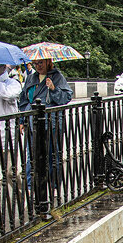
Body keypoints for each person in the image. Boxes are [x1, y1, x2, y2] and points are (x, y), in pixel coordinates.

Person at [18, 57, 73, 202]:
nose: (38, 66)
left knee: (52, 154)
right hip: (33, 121)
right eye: (35, 63)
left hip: (52, 122)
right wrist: (22, 120)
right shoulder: (31, 78)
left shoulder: (57, 77)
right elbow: (23, 100)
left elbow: (66, 97)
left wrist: (53, 89)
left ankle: (54, 184)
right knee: (32, 154)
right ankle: (31, 186)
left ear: (48, 62)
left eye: (40, 63)